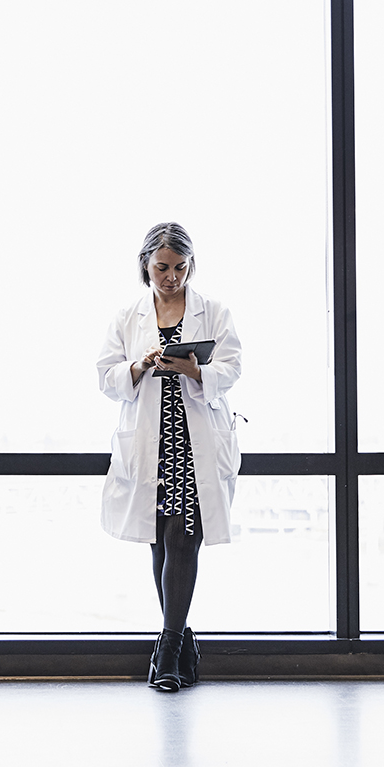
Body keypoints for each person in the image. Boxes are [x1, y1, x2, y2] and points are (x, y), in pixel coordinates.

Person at [96, 222, 242, 692]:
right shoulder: (128, 316)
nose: (171, 277)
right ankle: (182, 644)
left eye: (181, 267)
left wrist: (195, 369)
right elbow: (106, 376)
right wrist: (140, 365)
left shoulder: (214, 312)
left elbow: (232, 366)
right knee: (160, 542)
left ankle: (168, 654)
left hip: (193, 440)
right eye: (162, 267)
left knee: (184, 538)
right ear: (145, 265)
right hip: (149, 443)